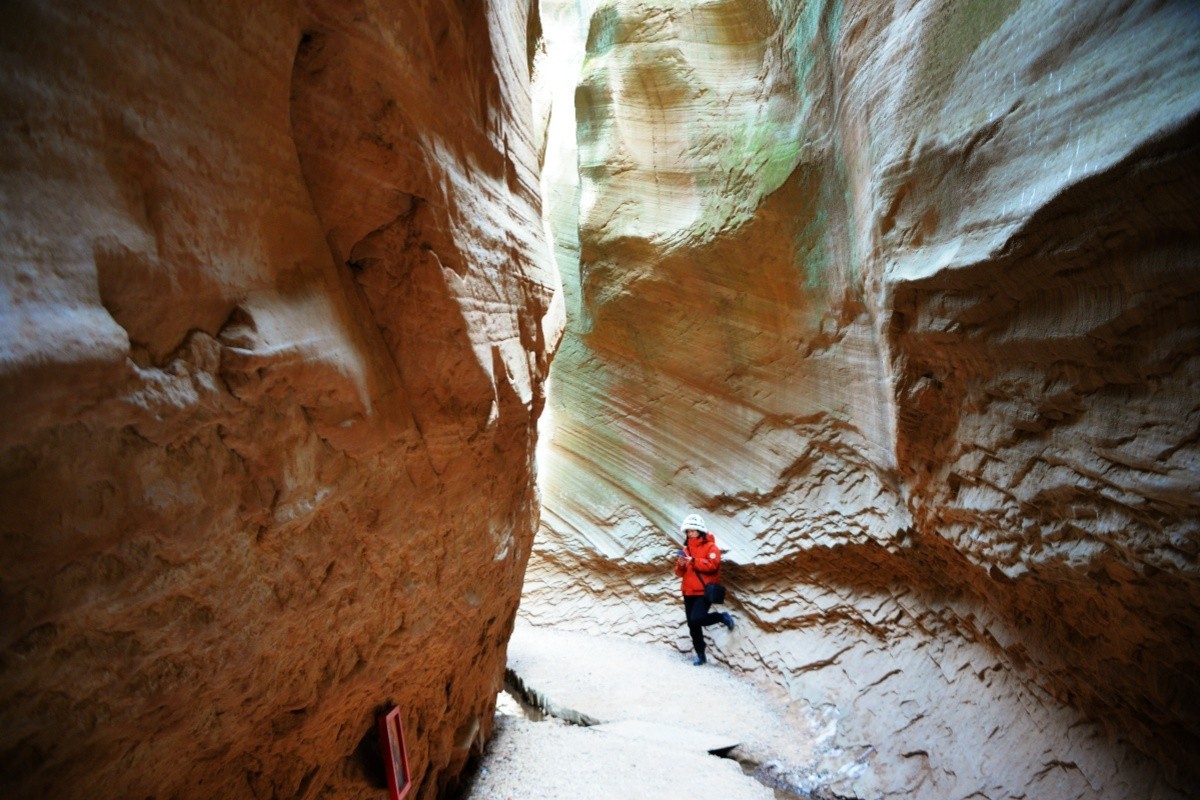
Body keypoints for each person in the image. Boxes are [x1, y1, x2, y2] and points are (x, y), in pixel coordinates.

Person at [674, 513, 734, 665]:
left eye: (692, 530)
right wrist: (681, 564)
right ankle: (701, 654)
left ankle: (722, 617)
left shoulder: (711, 547)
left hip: (703, 591)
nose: (690, 533)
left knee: (697, 618)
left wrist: (693, 561)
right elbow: (679, 573)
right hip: (688, 591)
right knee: (692, 624)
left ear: (700, 530)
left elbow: (712, 566)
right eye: (687, 531)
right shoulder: (686, 549)